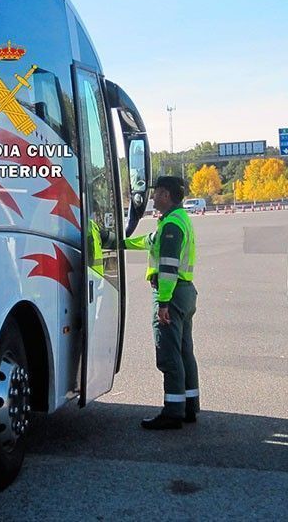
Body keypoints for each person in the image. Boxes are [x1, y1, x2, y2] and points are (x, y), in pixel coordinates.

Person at [124, 176, 199, 430]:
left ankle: (173, 411)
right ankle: (189, 405)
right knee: (184, 352)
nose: (153, 197)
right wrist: (120, 242)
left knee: (169, 355)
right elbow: (149, 242)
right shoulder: (176, 220)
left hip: (172, 294)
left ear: (166, 195)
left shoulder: (171, 226)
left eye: (156, 193)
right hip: (185, 292)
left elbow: (167, 268)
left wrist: (163, 303)